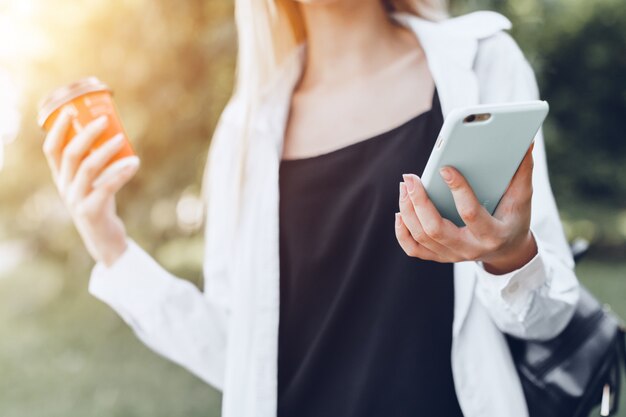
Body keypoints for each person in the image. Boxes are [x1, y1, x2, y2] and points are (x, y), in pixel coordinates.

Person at [42, 0, 580, 416]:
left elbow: (551, 316)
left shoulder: (483, 62)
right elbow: (240, 351)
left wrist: (510, 256)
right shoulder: (244, 131)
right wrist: (108, 244)